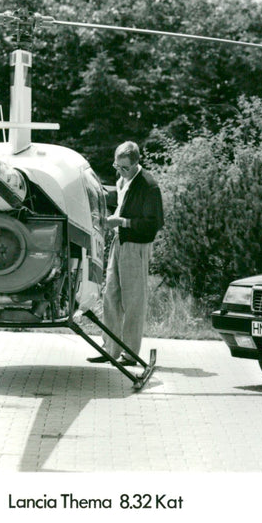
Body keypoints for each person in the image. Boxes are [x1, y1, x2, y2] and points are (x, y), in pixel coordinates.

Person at [87, 141, 163, 366]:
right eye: (116, 166)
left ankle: (129, 353)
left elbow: (154, 224)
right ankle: (110, 348)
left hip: (136, 246)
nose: (119, 171)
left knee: (133, 301)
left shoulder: (149, 186)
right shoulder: (122, 180)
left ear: (136, 163)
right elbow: (119, 201)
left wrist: (121, 221)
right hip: (119, 242)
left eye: (124, 168)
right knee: (110, 295)